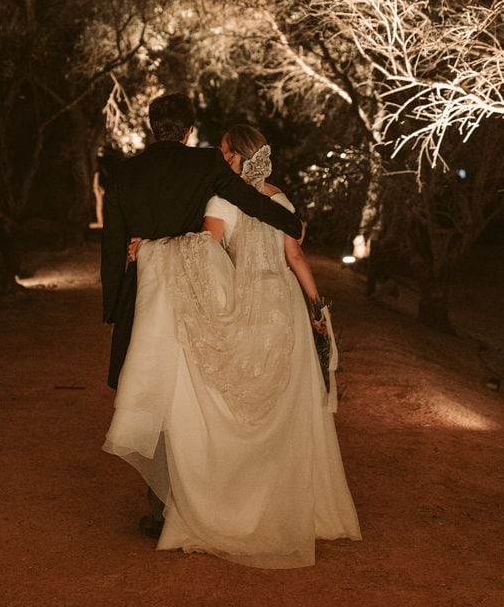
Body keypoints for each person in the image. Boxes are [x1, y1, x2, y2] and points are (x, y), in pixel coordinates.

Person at [103, 122, 361, 568]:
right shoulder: (280, 198)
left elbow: (206, 250)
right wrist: (317, 307)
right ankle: (302, 507)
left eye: (225, 152)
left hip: (247, 306)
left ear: (238, 156)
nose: (221, 159)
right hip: (287, 314)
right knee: (290, 414)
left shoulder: (221, 199)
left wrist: (151, 248)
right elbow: (296, 256)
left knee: (230, 410)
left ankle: (232, 505)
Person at [100, 94, 305, 535]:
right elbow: (249, 202)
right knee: (190, 397)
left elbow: (112, 244)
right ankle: (189, 500)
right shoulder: (206, 164)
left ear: (153, 126)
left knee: (153, 394)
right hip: (194, 296)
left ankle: (161, 509)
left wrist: (113, 306)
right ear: (190, 130)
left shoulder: (124, 173)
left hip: (142, 296)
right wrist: (292, 222)